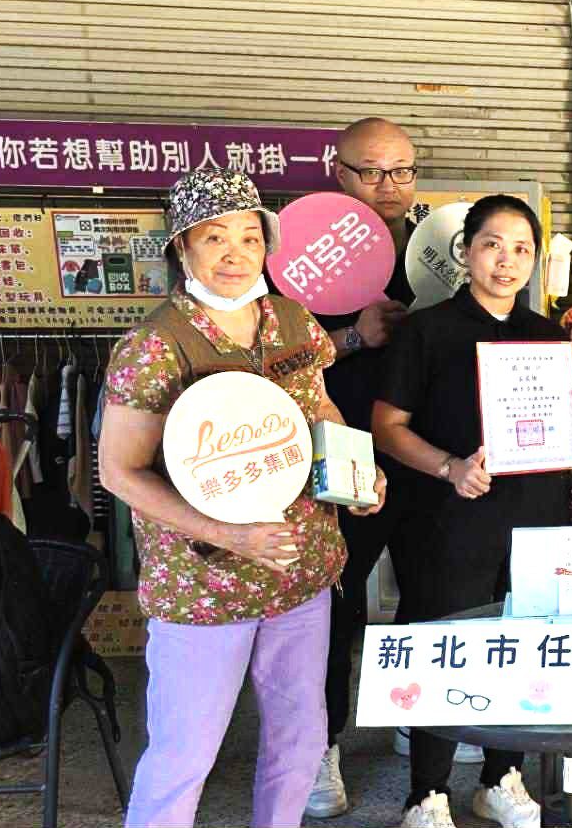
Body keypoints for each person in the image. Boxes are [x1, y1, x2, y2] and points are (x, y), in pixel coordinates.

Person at [99, 168, 386, 828]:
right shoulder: (154, 346)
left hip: (300, 573)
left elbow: (321, 410)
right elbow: (119, 471)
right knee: (184, 755)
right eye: (215, 238)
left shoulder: (291, 320)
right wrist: (229, 534)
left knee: (300, 738)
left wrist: (357, 475)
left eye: (250, 238)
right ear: (181, 247)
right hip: (205, 586)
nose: (235, 254)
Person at [372, 195, 572, 828]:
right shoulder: (426, 330)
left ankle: (501, 777)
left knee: (524, 644)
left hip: (538, 517)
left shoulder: (548, 336)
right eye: (493, 244)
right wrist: (449, 467)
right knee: (446, 647)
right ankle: (426, 793)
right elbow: (387, 426)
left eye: (522, 249)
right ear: (466, 251)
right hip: (450, 521)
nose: (506, 260)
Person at [306, 116, 446, 820]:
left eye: (402, 170)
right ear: (338, 173)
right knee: (336, 602)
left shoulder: (442, 248)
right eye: (370, 171)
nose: (388, 185)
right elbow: (272, 360)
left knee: (429, 593)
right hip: (342, 454)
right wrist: (352, 338)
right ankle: (321, 744)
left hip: (425, 452)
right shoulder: (303, 255)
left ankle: (414, 721)